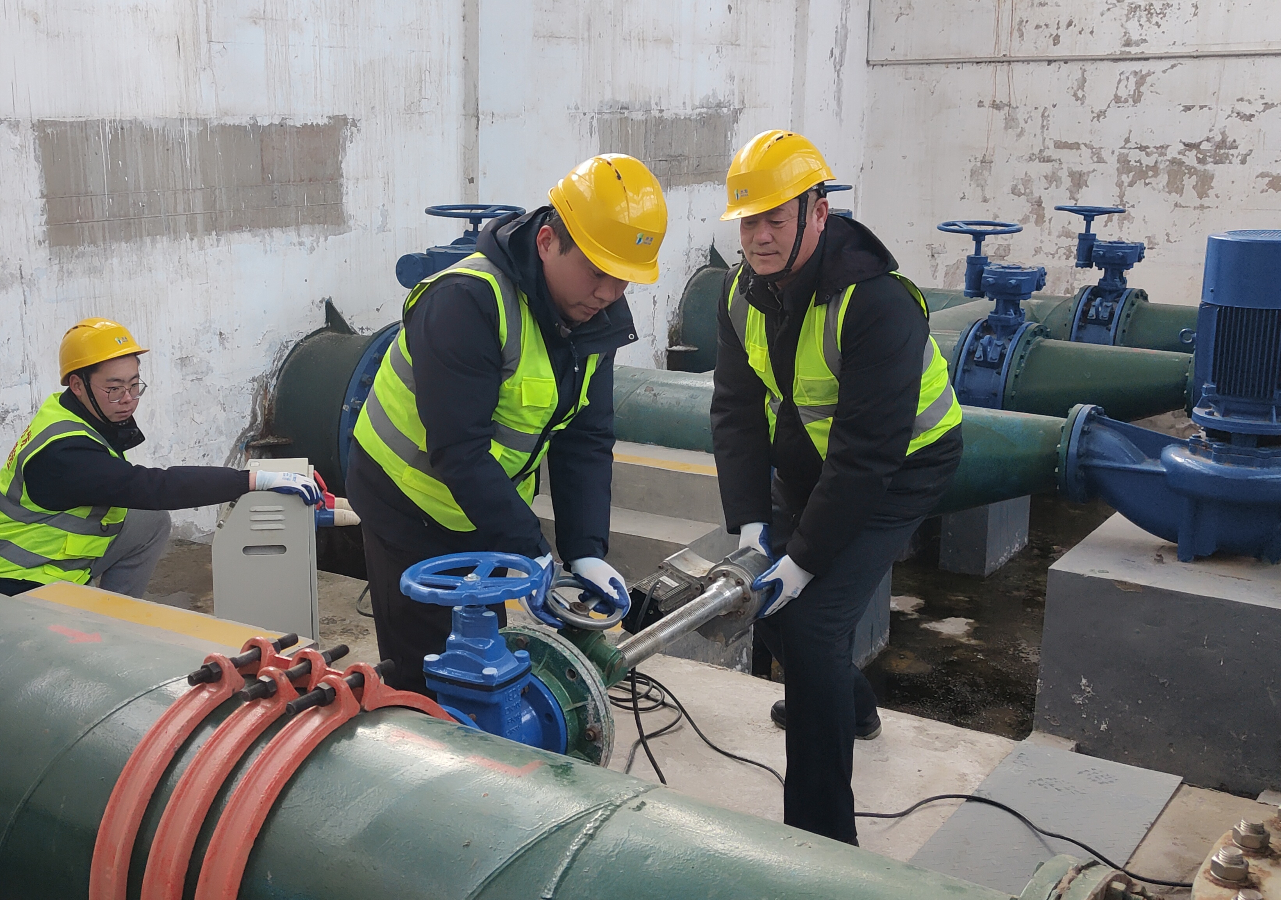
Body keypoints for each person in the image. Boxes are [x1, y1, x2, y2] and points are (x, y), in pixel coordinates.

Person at [710, 131, 963, 844]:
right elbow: (735, 411)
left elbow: (866, 456)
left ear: (818, 213)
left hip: (902, 467)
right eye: (747, 222)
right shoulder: (741, 295)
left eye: (775, 219)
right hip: (816, 462)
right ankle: (847, 707)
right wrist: (752, 527)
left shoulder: (875, 303)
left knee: (812, 625)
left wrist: (804, 559)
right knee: (766, 599)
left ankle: (821, 841)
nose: (759, 237)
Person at [346, 154, 668, 695]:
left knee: (484, 657)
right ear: (547, 241)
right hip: (406, 501)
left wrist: (585, 549)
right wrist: (533, 552)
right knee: (429, 675)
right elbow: (460, 451)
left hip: (483, 505)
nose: (610, 294)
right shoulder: (464, 301)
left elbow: (585, 438)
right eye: (597, 272)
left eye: (625, 280)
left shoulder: (597, 315)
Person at [0, 317, 322, 598]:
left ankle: (117, 616)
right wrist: (250, 480)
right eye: (114, 388)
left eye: (134, 385)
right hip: (13, 580)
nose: (128, 399)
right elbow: (153, 486)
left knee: (148, 523)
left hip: (49, 556)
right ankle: (96, 626)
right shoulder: (65, 453)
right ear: (77, 385)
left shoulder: (70, 411)